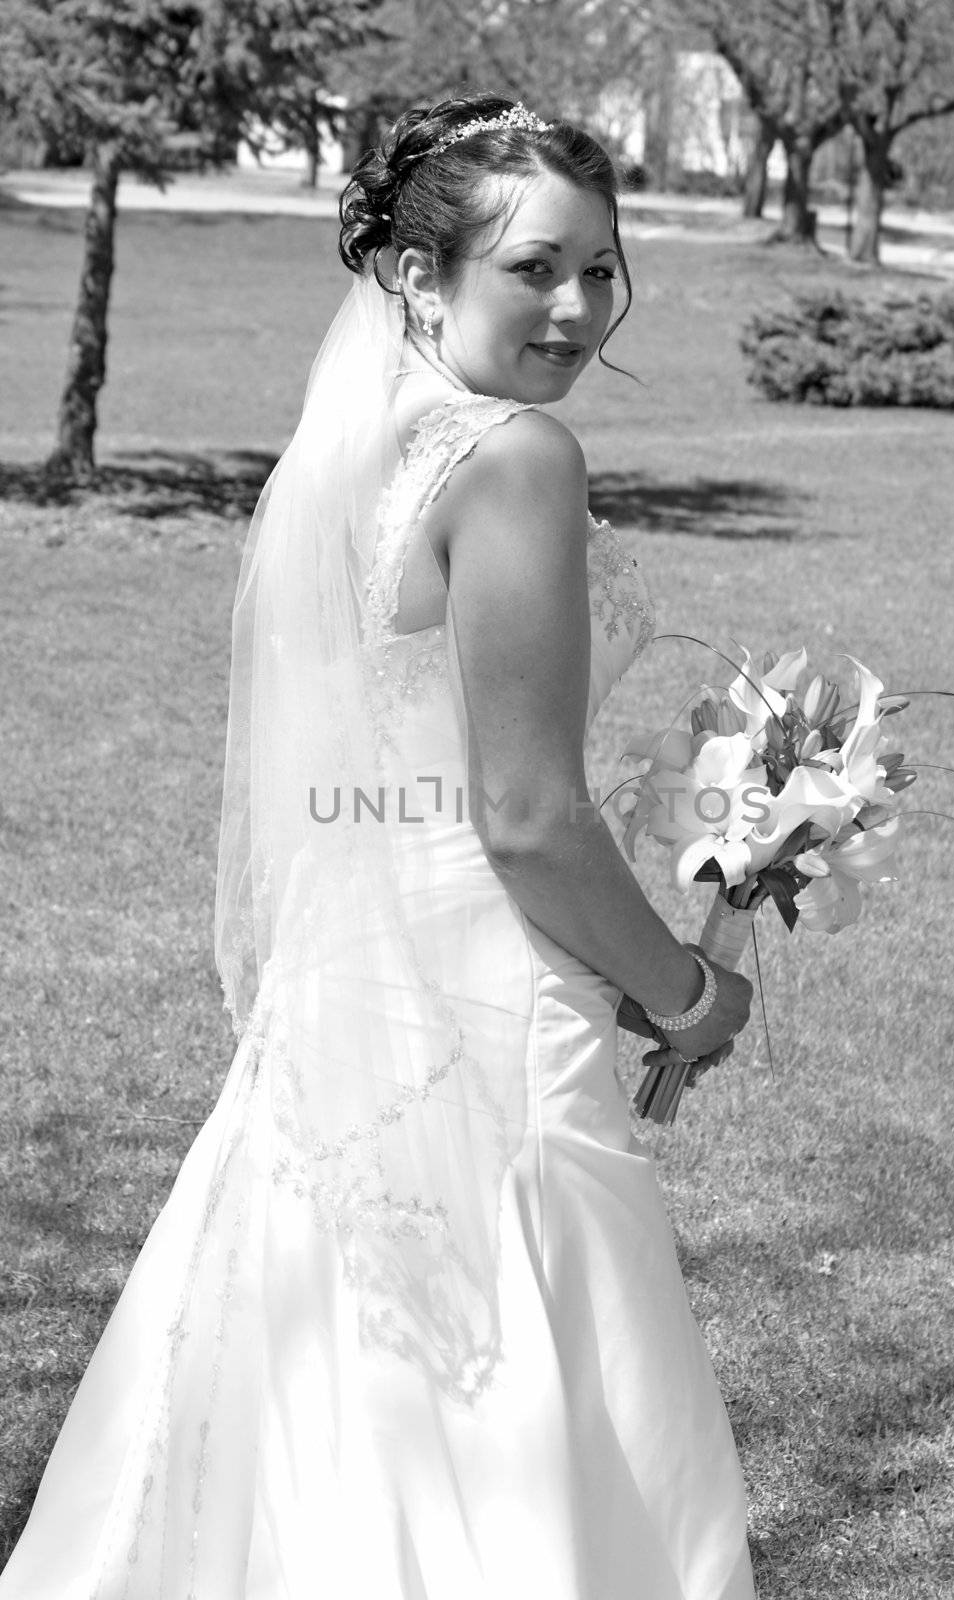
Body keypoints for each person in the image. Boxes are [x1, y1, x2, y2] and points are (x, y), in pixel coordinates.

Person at [0, 94, 756, 1599]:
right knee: (510, 1366)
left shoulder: (340, 456)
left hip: (346, 978)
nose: (577, 307)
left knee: (321, 1348)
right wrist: (686, 993)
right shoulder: (519, 455)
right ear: (420, 276)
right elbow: (528, 814)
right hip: (485, 985)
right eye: (536, 267)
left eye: (603, 269)